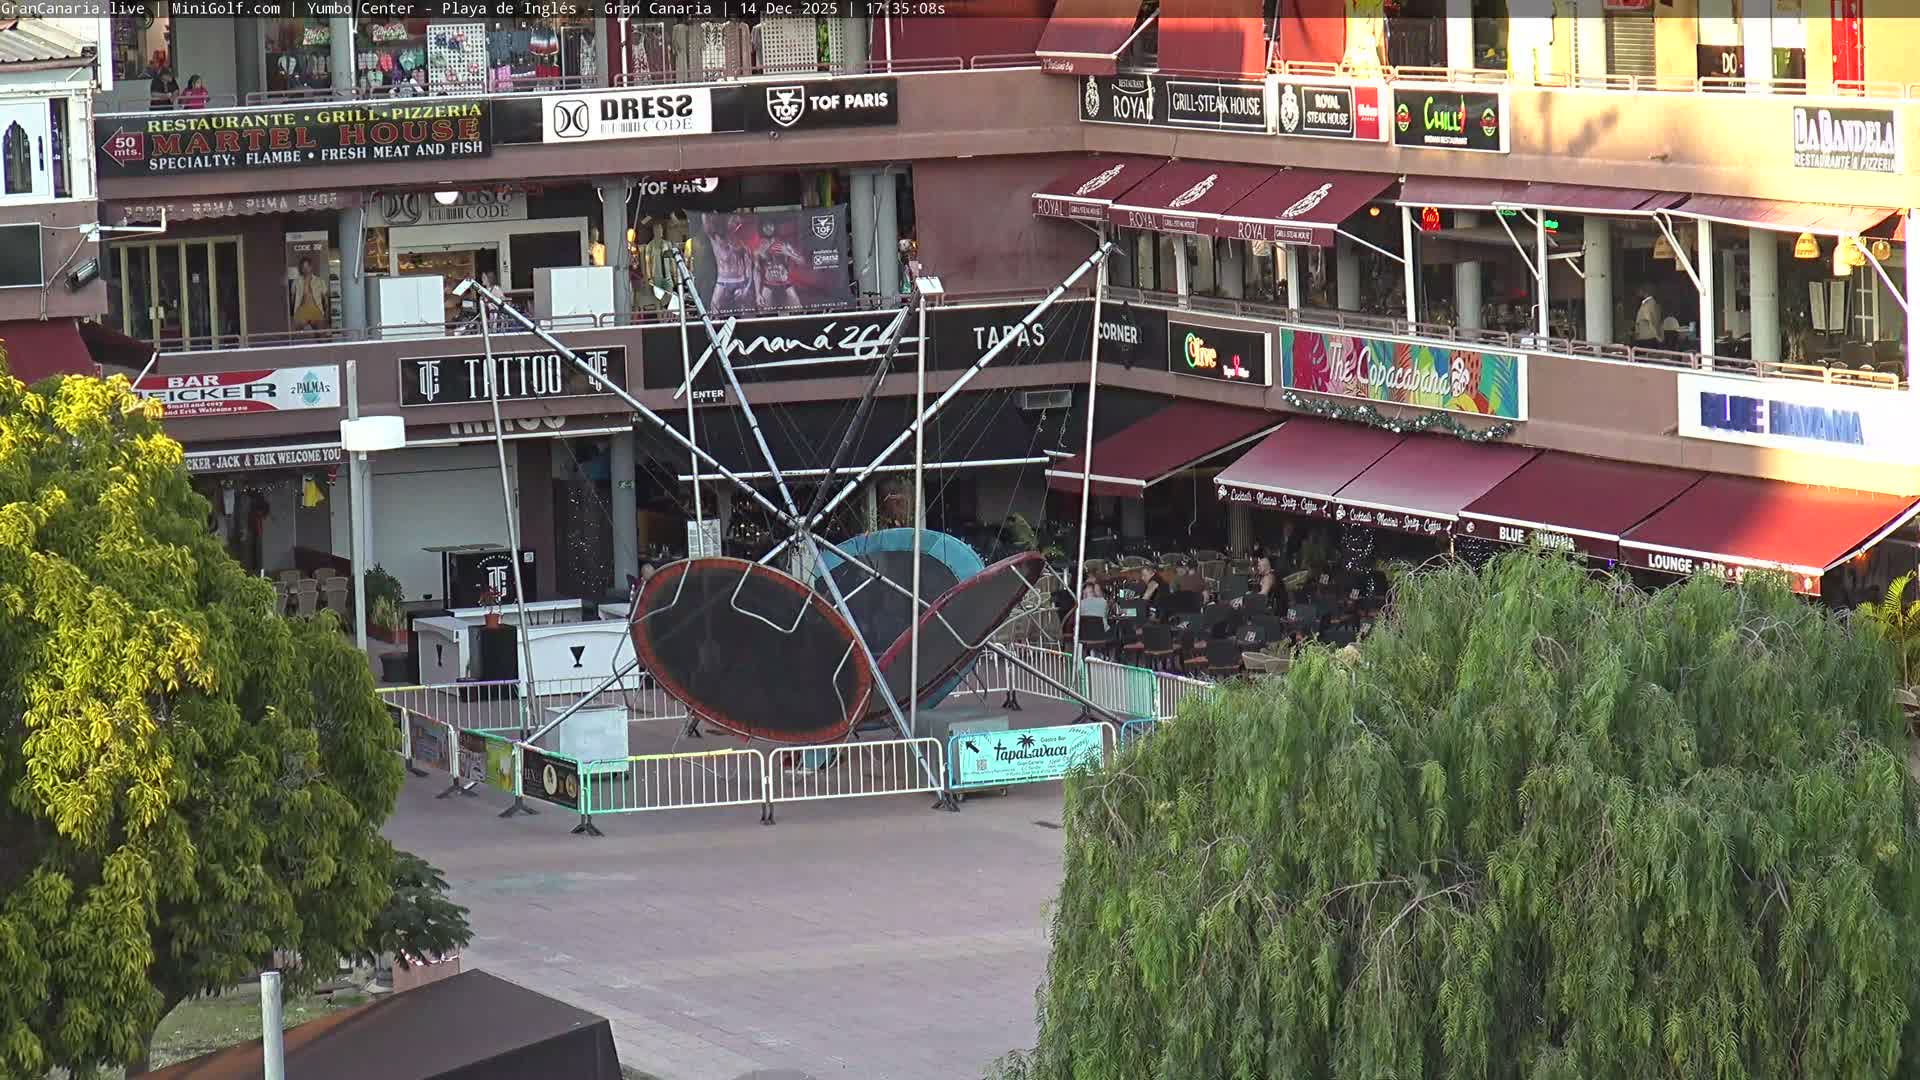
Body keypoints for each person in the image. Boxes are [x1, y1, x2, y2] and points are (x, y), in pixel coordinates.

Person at [705, 214, 754, 313]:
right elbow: (706, 223)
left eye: (736, 223)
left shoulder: (741, 242)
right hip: (722, 281)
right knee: (714, 308)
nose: (734, 224)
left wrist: (746, 287)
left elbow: (749, 267)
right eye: (732, 221)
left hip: (739, 281)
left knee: (741, 312)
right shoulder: (716, 239)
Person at [754, 221, 803, 310]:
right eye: (765, 225)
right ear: (761, 228)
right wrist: (758, 294)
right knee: (765, 314)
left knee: (798, 310)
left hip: (785, 284)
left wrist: (788, 253)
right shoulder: (758, 249)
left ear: (774, 227)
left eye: (770, 225)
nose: (768, 228)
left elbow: (801, 261)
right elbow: (756, 272)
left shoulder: (784, 245)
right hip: (768, 285)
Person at [290, 255, 328, 331]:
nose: (305, 270)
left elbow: (325, 299)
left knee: (321, 335)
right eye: (303, 267)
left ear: (311, 267)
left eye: (307, 267)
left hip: (316, 311)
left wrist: (326, 315)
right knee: (292, 333)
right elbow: (292, 298)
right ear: (301, 269)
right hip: (301, 311)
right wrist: (292, 314)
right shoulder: (296, 282)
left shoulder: (320, 281)